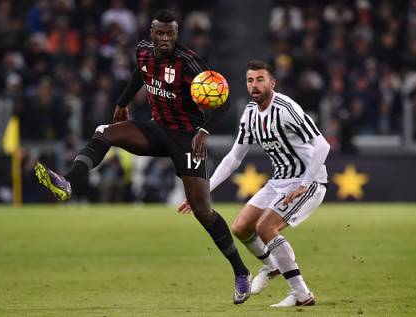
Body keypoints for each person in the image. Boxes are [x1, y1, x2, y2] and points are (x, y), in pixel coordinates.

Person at [33, 10, 252, 305]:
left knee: (202, 211)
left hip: (187, 138)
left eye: (170, 34)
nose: (164, 39)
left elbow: (222, 103)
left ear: (177, 35)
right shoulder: (142, 51)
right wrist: (122, 102)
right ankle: (68, 183)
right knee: (105, 131)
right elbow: (140, 73)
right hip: (156, 129)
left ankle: (241, 272)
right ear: (151, 32)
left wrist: (203, 130)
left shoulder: (190, 62)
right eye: (160, 34)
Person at [179, 59, 330, 307]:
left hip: (308, 182)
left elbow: (322, 145)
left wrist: (304, 183)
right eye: (250, 80)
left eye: (260, 79)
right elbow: (234, 158)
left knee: (266, 228)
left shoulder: (286, 108)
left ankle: (302, 294)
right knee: (240, 227)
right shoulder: (250, 113)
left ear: (272, 82)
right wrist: (203, 192)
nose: (254, 85)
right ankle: (271, 266)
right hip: (279, 181)